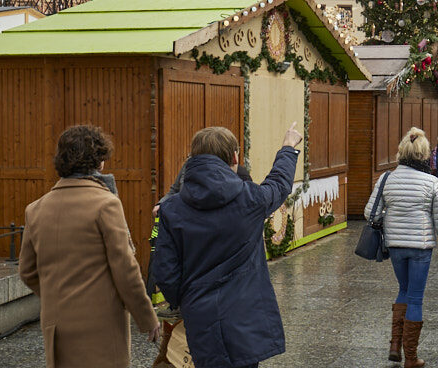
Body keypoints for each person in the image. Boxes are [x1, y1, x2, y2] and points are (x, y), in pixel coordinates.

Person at [154, 123, 301, 368]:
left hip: (200, 313)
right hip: (244, 314)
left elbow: (165, 271)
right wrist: (287, 147)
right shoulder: (251, 199)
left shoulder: (171, 208)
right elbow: (279, 183)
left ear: (192, 158)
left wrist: (183, 301)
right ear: (234, 157)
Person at [20, 125, 160, 368]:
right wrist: (147, 317)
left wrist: (57, 295)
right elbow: (125, 270)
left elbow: (27, 271)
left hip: (57, 325)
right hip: (101, 327)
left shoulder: (35, 209)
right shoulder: (106, 204)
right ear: (100, 161)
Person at [366, 127, 438, 368]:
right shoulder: (432, 182)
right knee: (415, 299)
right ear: (425, 154)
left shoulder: (387, 178)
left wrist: (392, 218)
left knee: (403, 290)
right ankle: (412, 358)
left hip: (395, 245)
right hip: (421, 247)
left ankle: (395, 345)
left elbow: (369, 212)